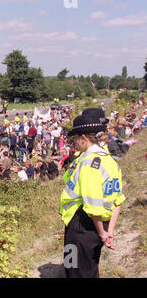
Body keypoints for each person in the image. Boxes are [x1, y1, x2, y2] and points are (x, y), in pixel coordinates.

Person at [60, 114, 125, 278]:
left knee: (73, 268)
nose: (74, 143)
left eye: (75, 138)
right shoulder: (109, 160)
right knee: (89, 268)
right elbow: (118, 200)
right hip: (99, 225)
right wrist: (109, 230)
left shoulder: (88, 163)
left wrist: (103, 233)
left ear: (83, 138)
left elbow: (92, 204)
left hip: (80, 226)